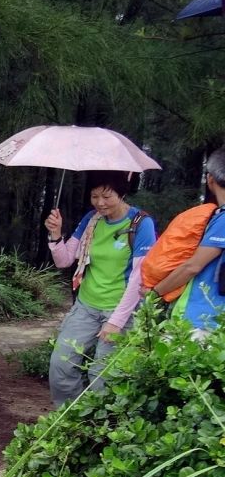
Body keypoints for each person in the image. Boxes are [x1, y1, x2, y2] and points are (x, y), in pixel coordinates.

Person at [44, 172, 158, 404]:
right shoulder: (92, 220)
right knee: (61, 364)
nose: (100, 203)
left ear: (122, 194)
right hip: (86, 306)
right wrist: (55, 235)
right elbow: (64, 260)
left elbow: (139, 278)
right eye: (94, 196)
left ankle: (99, 424)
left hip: (121, 311)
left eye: (107, 196)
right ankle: (70, 417)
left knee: (103, 376)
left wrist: (116, 322)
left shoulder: (140, 224)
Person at [146, 149, 225, 337]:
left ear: (210, 179)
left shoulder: (222, 220)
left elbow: (192, 266)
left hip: (204, 319)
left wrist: (154, 293)